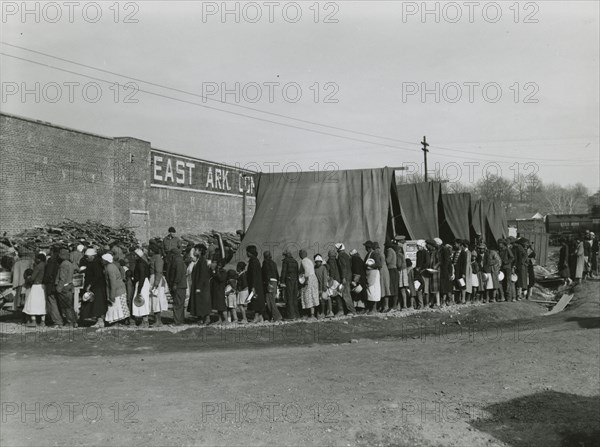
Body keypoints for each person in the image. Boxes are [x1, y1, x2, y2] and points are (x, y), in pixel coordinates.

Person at [79, 248, 108, 328]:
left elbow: (97, 276)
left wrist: (90, 285)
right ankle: (99, 321)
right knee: (96, 305)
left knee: (98, 305)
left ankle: (100, 321)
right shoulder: (93, 263)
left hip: (97, 287)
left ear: (92, 256)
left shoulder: (96, 264)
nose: (86, 258)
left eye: (88, 257)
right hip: (96, 286)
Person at [103, 253, 130, 325]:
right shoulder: (111, 266)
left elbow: (113, 282)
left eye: (103, 260)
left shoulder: (109, 268)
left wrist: (112, 295)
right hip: (118, 289)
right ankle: (120, 320)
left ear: (106, 260)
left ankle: (121, 321)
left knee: (118, 306)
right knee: (118, 306)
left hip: (117, 290)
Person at [188, 244, 212, 325]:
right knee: (199, 302)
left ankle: (207, 319)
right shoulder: (199, 260)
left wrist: (198, 287)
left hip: (202, 286)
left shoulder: (202, 261)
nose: (195, 251)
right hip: (198, 284)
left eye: (196, 250)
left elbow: (202, 275)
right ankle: (201, 318)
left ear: (200, 251)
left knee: (203, 302)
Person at [23, 253, 47, 327]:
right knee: (43, 304)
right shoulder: (46, 265)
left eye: (36, 258)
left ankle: (33, 321)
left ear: (39, 259)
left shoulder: (38, 266)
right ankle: (43, 322)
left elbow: (32, 278)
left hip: (36, 286)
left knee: (32, 304)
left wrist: (28, 279)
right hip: (44, 286)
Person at [132, 248, 152, 327]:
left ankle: (145, 321)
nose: (133, 256)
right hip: (142, 282)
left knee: (141, 301)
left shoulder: (140, 264)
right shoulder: (142, 262)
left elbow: (142, 276)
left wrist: (139, 289)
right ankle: (144, 321)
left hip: (142, 283)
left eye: (134, 255)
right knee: (141, 301)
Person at [149, 244, 168, 326]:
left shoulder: (158, 259)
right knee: (154, 300)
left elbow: (159, 271)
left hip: (156, 279)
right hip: (154, 279)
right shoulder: (154, 258)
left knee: (157, 299)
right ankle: (157, 320)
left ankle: (158, 321)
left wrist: (156, 283)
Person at [169, 247, 188, 326]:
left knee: (177, 304)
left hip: (179, 285)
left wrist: (175, 284)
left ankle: (177, 321)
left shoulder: (178, 261)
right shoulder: (180, 261)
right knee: (180, 304)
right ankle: (180, 320)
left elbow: (178, 274)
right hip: (181, 285)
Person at [335, 243, 356, 316]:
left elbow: (343, 268)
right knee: (347, 293)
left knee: (346, 294)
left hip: (345, 277)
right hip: (349, 276)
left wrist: (343, 277)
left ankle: (352, 310)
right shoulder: (347, 255)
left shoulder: (341, 256)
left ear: (338, 249)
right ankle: (350, 310)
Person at [246, 245, 266, 323]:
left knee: (255, 300)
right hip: (257, 284)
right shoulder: (255, 260)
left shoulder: (253, 261)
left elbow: (253, 274)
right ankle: (260, 317)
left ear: (250, 253)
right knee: (256, 299)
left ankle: (257, 316)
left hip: (255, 285)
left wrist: (253, 286)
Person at [262, 251, 282, 321]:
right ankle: (270, 316)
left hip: (269, 281)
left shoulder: (265, 262)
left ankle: (277, 316)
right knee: (272, 299)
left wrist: (267, 283)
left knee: (269, 300)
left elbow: (266, 272)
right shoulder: (274, 263)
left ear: (264, 256)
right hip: (275, 281)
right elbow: (276, 273)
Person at [299, 249, 319, 319]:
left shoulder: (304, 261)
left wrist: (306, 280)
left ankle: (311, 315)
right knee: (313, 296)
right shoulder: (309, 260)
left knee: (308, 296)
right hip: (314, 278)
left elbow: (306, 271)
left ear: (301, 255)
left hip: (309, 279)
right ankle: (312, 314)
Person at [280, 250, 300, 320]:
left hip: (288, 280)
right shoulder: (295, 261)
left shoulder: (286, 261)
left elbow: (284, 271)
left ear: (285, 255)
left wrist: (282, 281)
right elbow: (297, 272)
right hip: (295, 281)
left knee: (289, 297)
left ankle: (290, 315)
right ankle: (296, 314)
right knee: (294, 298)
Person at [373, 242, 390, 311]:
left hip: (382, 271)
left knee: (385, 288)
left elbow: (381, 263)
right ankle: (382, 305)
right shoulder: (380, 252)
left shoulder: (379, 253)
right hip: (382, 270)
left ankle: (386, 306)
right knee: (382, 288)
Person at [326, 248, 343, 316]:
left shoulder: (331, 261)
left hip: (334, 280)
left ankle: (335, 311)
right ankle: (340, 310)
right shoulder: (336, 260)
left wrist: (331, 280)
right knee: (338, 295)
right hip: (338, 279)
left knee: (334, 295)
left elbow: (332, 270)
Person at [395, 236, 409, 309]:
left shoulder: (399, 253)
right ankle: (403, 304)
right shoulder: (402, 252)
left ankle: (403, 305)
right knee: (403, 289)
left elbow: (399, 264)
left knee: (401, 289)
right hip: (404, 270)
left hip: (401, 271)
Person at [438, 239, 453, 306]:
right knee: (446, 286)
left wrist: (448, 272)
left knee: (446, 286)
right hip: (446, 271)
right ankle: (447, 300)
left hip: (446, 271)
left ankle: (447, 300)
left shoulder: (444, 250)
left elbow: (447, 263)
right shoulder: (443, 250)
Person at [415, 240, 430, 308]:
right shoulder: (418, 253)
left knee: (425, 289)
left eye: (418, 246)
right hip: (419, 272)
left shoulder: (426, 253)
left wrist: (420, 268)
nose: (417, 247)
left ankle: (426, 303)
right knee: (419, 288)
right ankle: (421, 304)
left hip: (424, 272)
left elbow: (427, 263)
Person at [384, 240, 398, 312]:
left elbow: (388, 260)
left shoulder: (389, 251)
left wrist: (383, 258)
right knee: (394, 287)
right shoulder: (393, 251)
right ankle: (394, 305)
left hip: (391, 269)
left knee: (392, 287)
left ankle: (393, 305)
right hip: (394, 269)